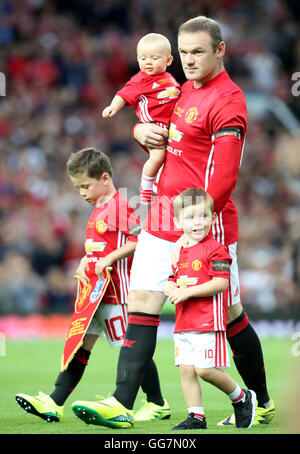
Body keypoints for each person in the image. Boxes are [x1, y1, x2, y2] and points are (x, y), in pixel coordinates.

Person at [71, 16, 274, 429]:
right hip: (160, 215)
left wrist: (192, 229)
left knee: (231, 314)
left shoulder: (228, 99)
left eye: (198, 51)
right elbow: (153, 126)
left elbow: (225, 176)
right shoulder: (180, 91)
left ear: (220, 50)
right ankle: (120, 403)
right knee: (141, 303)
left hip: (203, 223)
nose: (189, 60)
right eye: (183, 53)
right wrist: (139, 130)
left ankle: (261, 401)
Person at [15, 147, 170, 428]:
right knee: (80, 345)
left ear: (105, 178)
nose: (82, 192)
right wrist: (85, 260)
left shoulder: (120, 206)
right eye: (77, 188)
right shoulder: (99, 207)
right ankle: (53, 401)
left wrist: (109, 258)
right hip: (96, 294)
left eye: (85, 185)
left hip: (118, 294)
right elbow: (100, 247)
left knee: (131, 347)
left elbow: (141, 240)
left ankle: (157, 403)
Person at [164, 188, 256, 429]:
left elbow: (221, 283)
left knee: (205, 370)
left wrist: (186, 292)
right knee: (186, 369)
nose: (198, 223)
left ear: (213, 218)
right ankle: (197, 416)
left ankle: (242, 397)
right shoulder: (180, 251)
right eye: (191, 217)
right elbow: (173, 278)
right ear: (178, 222)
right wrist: (170, 288)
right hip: (183, 321)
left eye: (203, 216)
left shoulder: (216, 248)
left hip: (207, 320)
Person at [102, 33, 180, 205]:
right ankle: (146, 188)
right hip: (153, 126)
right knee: (158, 156)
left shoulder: (170, 79)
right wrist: (113, 107)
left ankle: (156, 185)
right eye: (143, 58)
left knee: (168, 159)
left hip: (169, 126)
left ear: (168, 60)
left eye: (154, 58)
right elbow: (123, 94)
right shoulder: (140, 80)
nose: (148, 62)